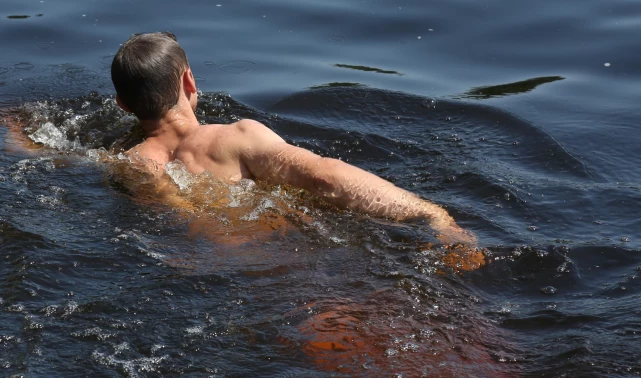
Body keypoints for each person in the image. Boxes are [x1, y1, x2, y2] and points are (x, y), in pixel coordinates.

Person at [111, 31, 478, 248]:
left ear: (122, 104)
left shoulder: (130, 163)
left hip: (235, 274)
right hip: (296, 250)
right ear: (189, 82)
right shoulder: (235, 138)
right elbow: (324, 176)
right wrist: (431, 215)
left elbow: (184, 216)